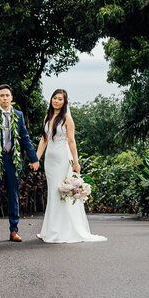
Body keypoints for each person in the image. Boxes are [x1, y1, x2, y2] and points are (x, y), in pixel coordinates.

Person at [35, 88, 107, 243]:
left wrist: (76, 162)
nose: (56, 101)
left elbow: (71, 141)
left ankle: (63, 230)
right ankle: (50, 229)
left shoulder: (67, 118)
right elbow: (44, 139)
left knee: (59, 192)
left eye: (60, 99)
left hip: (62, 158)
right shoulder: (47, 117)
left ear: (64, 102)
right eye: (54, 98)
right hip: (50, 159)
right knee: (52, 193)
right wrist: (36, 158)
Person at [0, 84, 39, 242]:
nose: (5, 98)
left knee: (13, 195)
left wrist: (34, 159)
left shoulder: (18, 115)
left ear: (12, 98)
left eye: (7, 95)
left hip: (12, 159)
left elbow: (25, 138)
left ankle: (14, 230)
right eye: (2, 95)